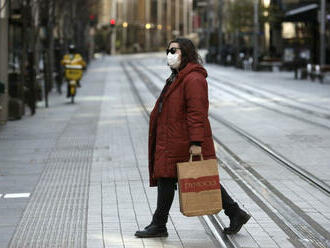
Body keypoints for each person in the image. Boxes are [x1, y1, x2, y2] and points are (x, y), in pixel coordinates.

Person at [135, 38, 251, 238]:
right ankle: (234, 212)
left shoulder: (193, 79)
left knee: (187, 178)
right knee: (175, 178)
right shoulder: (177, 77)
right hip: (173, 139)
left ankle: (159, 224)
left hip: (184, 140)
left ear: (185, 52)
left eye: (173, 50)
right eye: (168, 50)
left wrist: (196, 143)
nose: (169, 54)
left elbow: (197, 113)